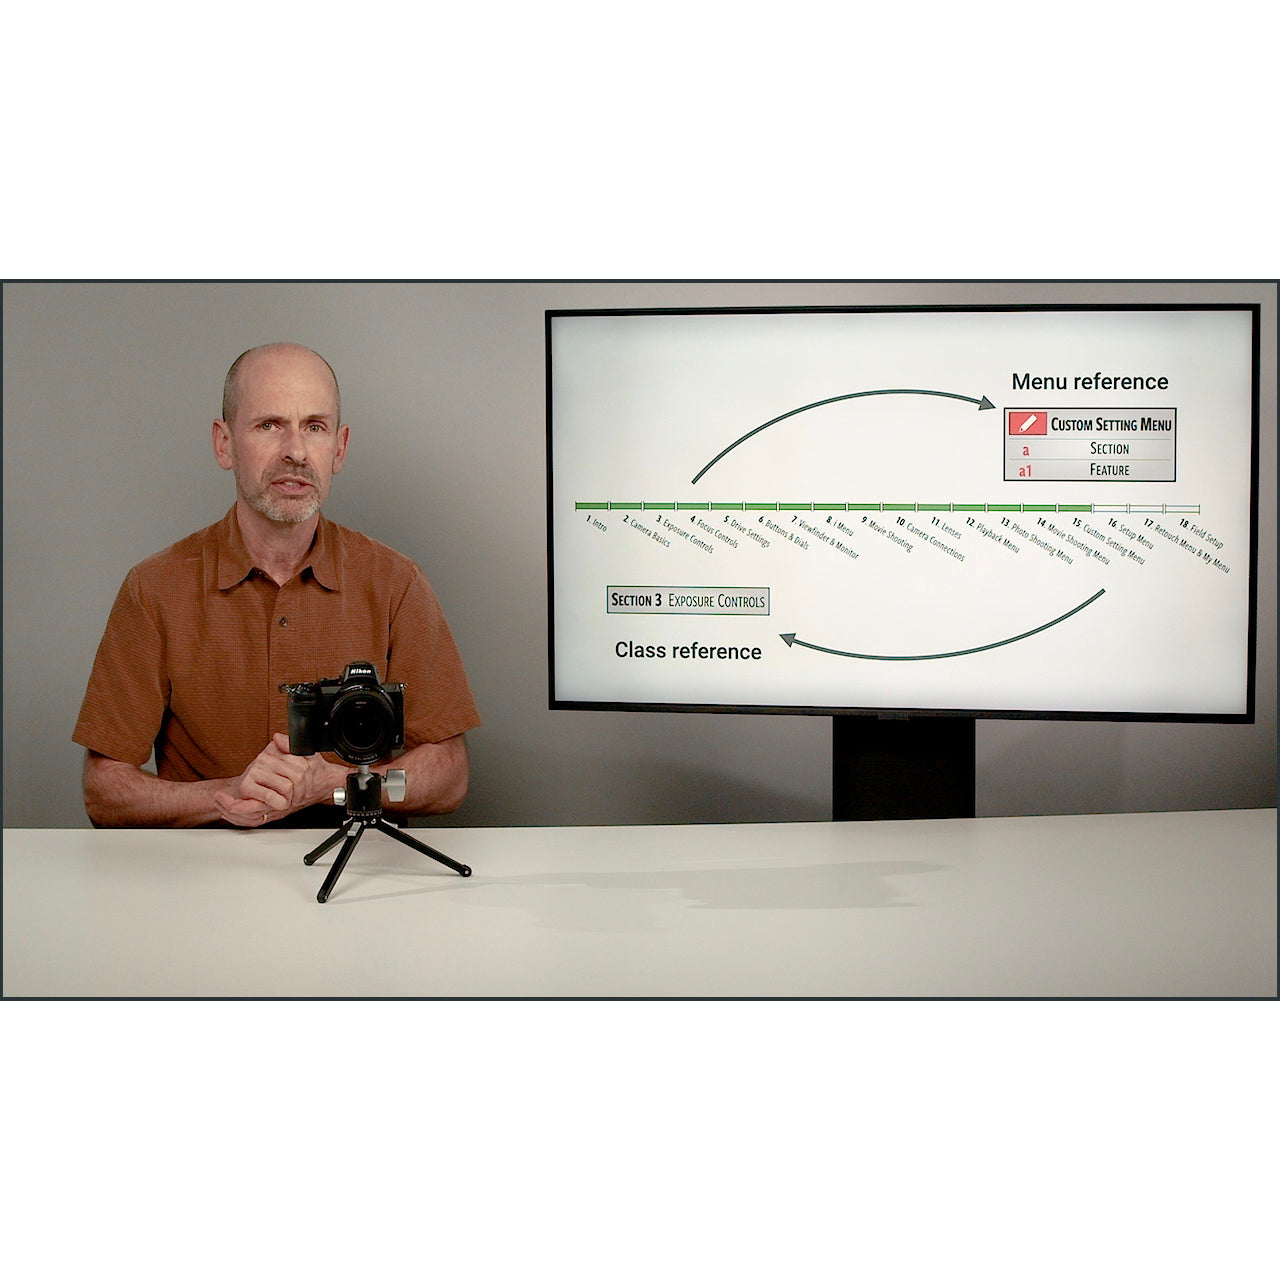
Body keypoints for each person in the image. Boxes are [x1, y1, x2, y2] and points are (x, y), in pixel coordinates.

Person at [74, 342, 480, 828]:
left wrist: (330, 786)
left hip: (355, 867)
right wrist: (227, 795)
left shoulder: (396, 584)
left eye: (315, 427)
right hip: (205, 867)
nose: (295, 451)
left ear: (339, 448)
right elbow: (103, 790)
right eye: (269, 425)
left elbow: (449, 775)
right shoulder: (154, 590)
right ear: (224, 444)